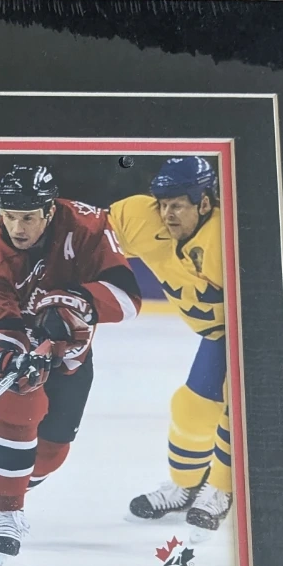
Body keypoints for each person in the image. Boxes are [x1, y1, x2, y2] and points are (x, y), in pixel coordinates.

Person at [0, 164, 142, 562]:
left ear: (49, 210)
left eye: (28, 217)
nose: (17, 228)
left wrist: (76, 304)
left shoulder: (89, 227)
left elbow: (128, 298)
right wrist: (10, 355)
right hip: (9, 336)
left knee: (53, 449)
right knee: (20, 399)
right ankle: (7, 511)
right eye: (9, 216)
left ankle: (3, 488)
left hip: (68, 345)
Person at [105, 155, 231, 531]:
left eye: (177, 205)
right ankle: (186, 488)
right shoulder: (144, 219)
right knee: (190, 409)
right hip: (218, 334)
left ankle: (222, 489)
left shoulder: (229, 238)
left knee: (237, 412)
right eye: (162, 204)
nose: (167, 214)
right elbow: (86, 234)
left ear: (204, 203)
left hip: (255, 335)